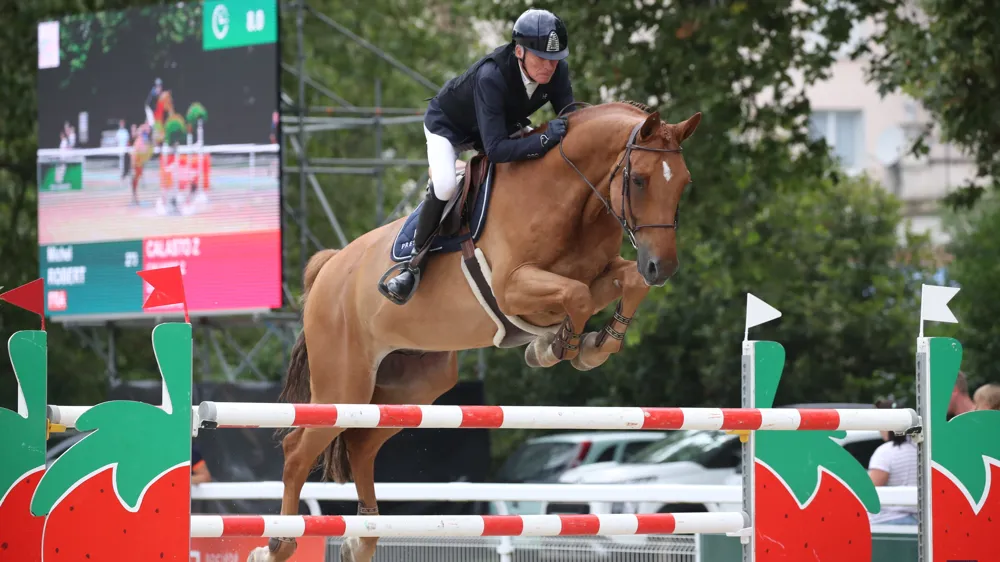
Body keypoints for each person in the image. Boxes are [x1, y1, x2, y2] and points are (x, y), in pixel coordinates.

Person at [381, 8, 577, 304]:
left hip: (496, 127)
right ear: (520, 51)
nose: (549, 67)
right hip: (448, 127)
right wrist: (545, 137)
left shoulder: (555, 71)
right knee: (446, 185)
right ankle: (412, 267)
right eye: (541, 58)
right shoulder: (491, 76)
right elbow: (496, 150)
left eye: (555, 59)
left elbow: (571, 116)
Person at [867, 398, 919, 525]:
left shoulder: (885, 452)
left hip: (888, 521)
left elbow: (869, 490)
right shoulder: (919, 448)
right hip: (917, 520)